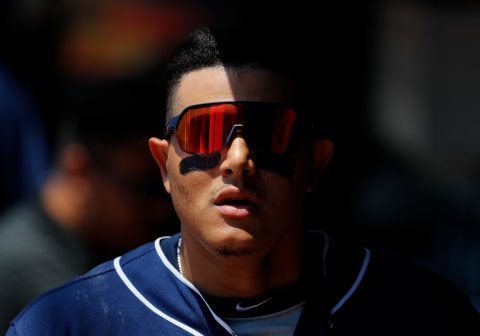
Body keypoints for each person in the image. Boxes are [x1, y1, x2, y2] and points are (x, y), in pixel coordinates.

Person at [5, 22, 479, 336]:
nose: (237, 158)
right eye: (204, 130)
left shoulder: (423, 317)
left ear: (316, 162)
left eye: (269, 130)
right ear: (162, 164)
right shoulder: (68, 326)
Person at [0, 77, 179, 333]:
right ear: (80, 170)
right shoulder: (14, 269)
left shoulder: (116, 246)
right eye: (145, 188)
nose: (162, 208)